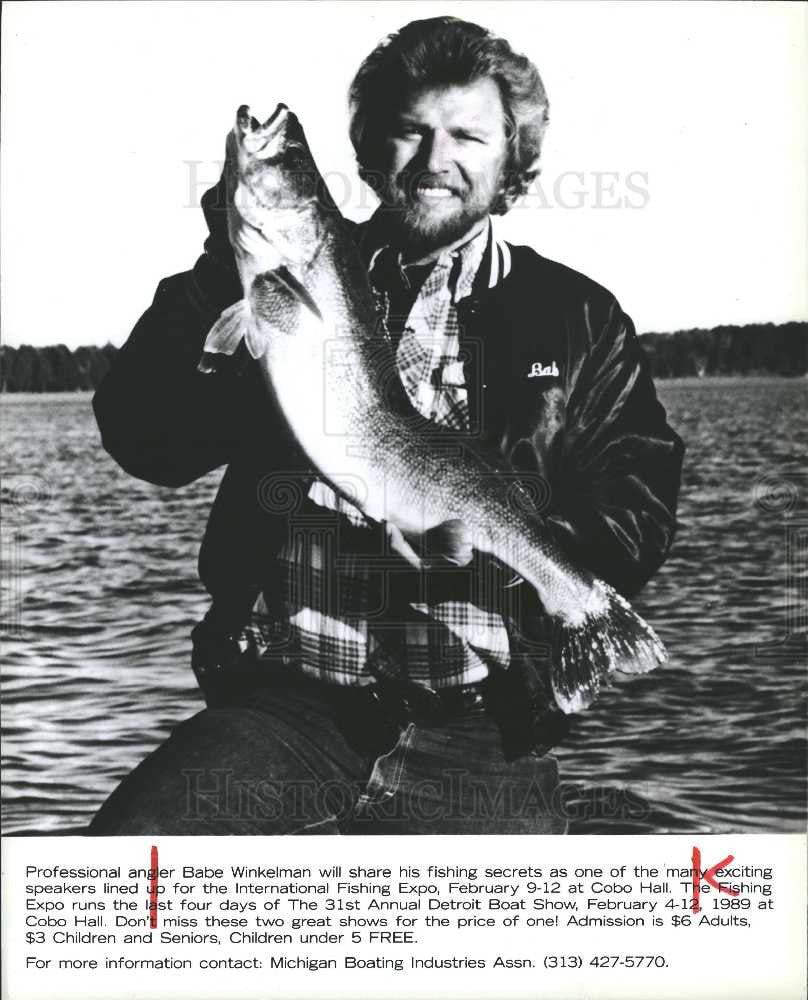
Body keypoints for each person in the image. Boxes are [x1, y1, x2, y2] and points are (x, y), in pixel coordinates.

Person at [88, 17, 684, 835]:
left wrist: (503, 561)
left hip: (483, 731)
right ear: (370, 148)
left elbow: (638, 499)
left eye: (467, 134)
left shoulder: (578, 319)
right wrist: (215, 272)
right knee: (123, 873)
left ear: (512, 157)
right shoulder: (265, 282)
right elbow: (145, 440)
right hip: (282, 712)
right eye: (410, 130)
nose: (436, 159)